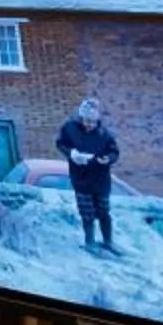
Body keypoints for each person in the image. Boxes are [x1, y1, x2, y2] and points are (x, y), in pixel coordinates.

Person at [58, 98, 121, 253]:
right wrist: (71, 153)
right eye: (87, 121)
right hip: (81, 179)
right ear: (81, 118)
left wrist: (108, 159)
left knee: (104, 212)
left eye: (93, 122)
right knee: (87, 213)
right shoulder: (69, 128)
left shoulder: (104, 134)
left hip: (101, 180)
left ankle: (108, 241)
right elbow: (60, 143)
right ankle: (90, 242)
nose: (90, 125)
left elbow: (114, 152)